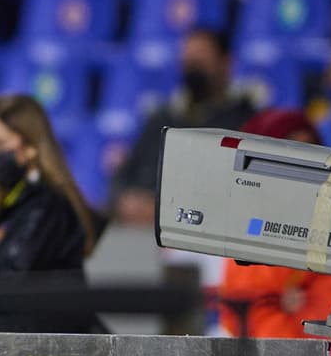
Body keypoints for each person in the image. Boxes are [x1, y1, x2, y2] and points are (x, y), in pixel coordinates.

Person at [0, 93, 102, 332]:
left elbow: (13, 279)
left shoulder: (51, 205)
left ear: (30, 146)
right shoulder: (0, 203)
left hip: (47, 350)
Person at [217, 109, 331, 338]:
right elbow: (243, 307)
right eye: (293, 153)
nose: (305, 165)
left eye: (312, 151)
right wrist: (276, 300)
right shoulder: (245, 230)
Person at [110, 28, 258, 226]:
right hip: (144, 237)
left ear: (226, 63)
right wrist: (126, 201)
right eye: (188, 63)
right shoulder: (162, 119)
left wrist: (163, 211)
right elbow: (123, 180)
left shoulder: (246, 123)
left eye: (200, 63)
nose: (193, 72)